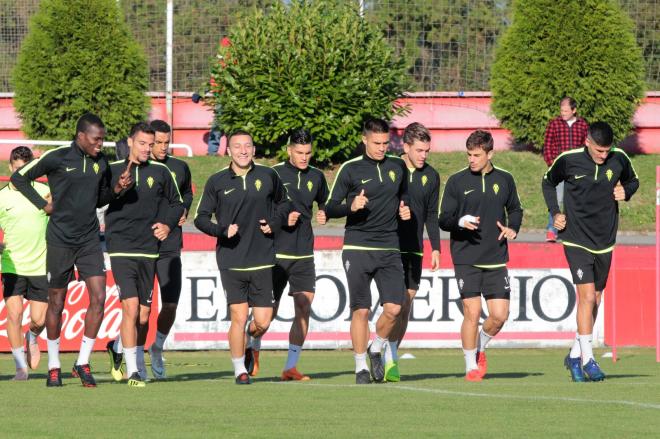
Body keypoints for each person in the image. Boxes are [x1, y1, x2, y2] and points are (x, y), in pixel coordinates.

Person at [11, 113, 130, 388]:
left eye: (102, 138)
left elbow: (101, 197)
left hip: (89, 239)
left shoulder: (101, 162)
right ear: (81, 136)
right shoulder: (57, 157)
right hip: (60, 240)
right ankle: (54, 366)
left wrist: (117, 190)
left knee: (99, 297)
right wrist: (43, 205)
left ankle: (83, 362)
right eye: (96, 139)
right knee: (56, 303)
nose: (101, 144)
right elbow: (19, 178)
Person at [542, 121, 639, 382]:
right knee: (585, 297)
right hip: (575, 238)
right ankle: (589, 360)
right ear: (587, 142)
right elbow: (547, 183)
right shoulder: (568, 160)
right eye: (598, 151)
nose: (603, 156)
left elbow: (634, 181)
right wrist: (556, 213)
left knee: (595, 299)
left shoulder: (619, 159)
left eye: (606, 151)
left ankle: (574, 355)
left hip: (605, 240)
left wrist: (625, 191)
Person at [194, 130, 292, 385]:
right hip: (232, 260)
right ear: (229, 151)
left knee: (262, 321)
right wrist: (222, 231)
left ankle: (249, 342)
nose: (243, 150)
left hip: (263, 258)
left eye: (247, 145)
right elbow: (200, 218)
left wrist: (274, 223)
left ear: (253, 149)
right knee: (238, 316)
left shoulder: (269, 176)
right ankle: (240, 370)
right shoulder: (216, 181)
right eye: (237, 146)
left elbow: (284, 205)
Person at [105, 120, 193, 381]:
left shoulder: (169, 171)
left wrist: (169, 223)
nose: (153, 147)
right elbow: (101, 198)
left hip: (158, 248)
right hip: (127, 246)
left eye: (154, 143)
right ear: (132, 142)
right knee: (135, 309)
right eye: (147, 143)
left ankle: (135, 348)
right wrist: (118, 188)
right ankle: (133, 365)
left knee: (155, 310)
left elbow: (181, 200)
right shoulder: (114, 170)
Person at [325, 118, 411, 384]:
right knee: (361, 310)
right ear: (364, 140)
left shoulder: (398, 166)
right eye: (376, 143)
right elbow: (329, 208)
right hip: (358, 247)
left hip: (389, 247)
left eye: (386, 143)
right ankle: (361, 366)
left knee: (395, 308)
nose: (382, 148)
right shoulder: (350, 169)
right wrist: (351, 205)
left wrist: (404, 209)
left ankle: (377, 346)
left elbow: (403, 197)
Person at [439, 130, 523, 382]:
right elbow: (444, 219)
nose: (471, 159)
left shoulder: (505, 179)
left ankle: (480, 346)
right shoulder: (457, 181)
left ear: (490, 154)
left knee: (499, 316)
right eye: (469, 154)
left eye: (476, 155)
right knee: (472, 312)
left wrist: (513, 228)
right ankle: (470, 367)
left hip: (496, 258)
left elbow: (515, 209)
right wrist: (460, 222)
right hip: (466, 257)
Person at [245, 128, 329, 381]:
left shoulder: (317, 176)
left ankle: (290, 367)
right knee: (264, 320)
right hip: (274, 253)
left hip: (303, 254)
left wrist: (325, 212)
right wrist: (281, 219)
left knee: (304, 306)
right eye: (299, 152)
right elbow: (259, 211)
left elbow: (325, 201)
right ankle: (251, 343)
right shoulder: (274, 175)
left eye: (308, 153)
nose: (304, 157)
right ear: (289, 150)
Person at [388, 122, 440, 382]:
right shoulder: (390, 169)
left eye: (427, 151)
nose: (423, 155)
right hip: (389, 247)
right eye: (419, 150)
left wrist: (436, 248)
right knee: (394, 305)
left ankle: (391, 355)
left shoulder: (431, 176)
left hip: (415, 249)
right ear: (406, 147)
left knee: (406, 304)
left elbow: (431, 214)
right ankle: (381, 353)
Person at [0, 147, 50, 380]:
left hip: (41, 265)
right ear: (11, 168)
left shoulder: (45, 192)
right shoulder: (2, 197)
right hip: (12, 266)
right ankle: (20, 367)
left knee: (40, 320)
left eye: (25, 169)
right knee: (14, 314)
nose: (20, 174)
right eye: (17, 169)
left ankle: (32, 336)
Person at [543, 97, 589, 242]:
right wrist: (552, 164)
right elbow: (548, 146)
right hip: (559, 169)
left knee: (576, 200)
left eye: (566, 111)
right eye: (561, 110)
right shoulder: (554, 124)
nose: (563, 113)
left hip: (577, 171)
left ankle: (573, 232)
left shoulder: (583, 125)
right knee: (556, 200)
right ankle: (552, 230)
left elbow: (586, 147)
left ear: (574, 110)